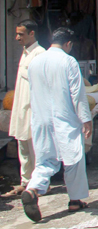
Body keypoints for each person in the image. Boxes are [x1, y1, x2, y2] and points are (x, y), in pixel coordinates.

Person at [21, 28, 92, 222]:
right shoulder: (68, 61)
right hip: (65, 118)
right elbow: (77, 94)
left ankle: (33, 190)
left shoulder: (35, 62)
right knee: (73, 159)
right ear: (68, 44)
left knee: (45, 160)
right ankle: (75, 200)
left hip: (41, 119)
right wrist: (86, 119)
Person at [3, 21, 46, 198]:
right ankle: (25, 182)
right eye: (17, 34)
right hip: (21, 106)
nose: (17, 38)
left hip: (33, 108)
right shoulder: (25, 53)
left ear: (32, 34)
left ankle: (38, 184)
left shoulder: (40, 54)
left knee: (34, 147)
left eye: (21, 34)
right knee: (23, 146)